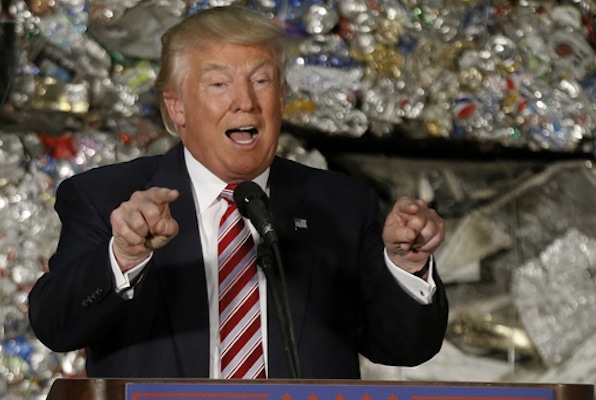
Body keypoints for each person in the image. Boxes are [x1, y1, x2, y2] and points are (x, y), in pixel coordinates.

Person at [28, 5, 448, 380]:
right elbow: (55, 326)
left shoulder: (338, 203)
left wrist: (406, 266)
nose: (245, 101)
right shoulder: (105, 196)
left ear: (281, 99)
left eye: (261, 80)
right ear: (176, 107)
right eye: (218, 84)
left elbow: (402, 346)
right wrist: (124, 256)